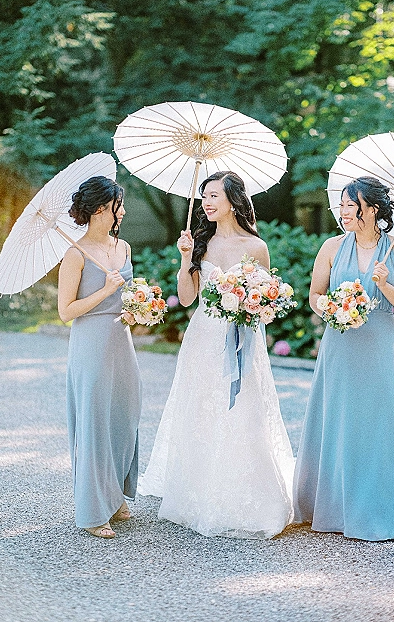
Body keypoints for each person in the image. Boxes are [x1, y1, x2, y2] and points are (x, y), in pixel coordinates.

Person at [137, 171, 294, 538]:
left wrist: (246, 308)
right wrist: (184, 258)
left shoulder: (256, 248)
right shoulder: (199, 244)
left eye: (214, 196)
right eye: (204, 196)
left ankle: (248, 496)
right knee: (201, 409)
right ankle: (199, 495)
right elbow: (188, 298)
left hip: (244, 340)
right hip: (204, 338)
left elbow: (266, 301)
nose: (207, 203)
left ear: (233, 201)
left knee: (245, 410)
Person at [293, 176, 394, 541]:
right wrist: (332, 309)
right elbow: (315, 294)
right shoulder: (331, 247)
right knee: (334, 421)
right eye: (343, 205)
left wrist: (385, 286)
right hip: (340, 343)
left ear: (373, 208)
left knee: (375, 427)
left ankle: (372, 516)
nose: (343, 211)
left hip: (380, 344)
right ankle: (330, 511)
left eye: (351, 205)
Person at [58, 176, 141, 539]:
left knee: (124, 415)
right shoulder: (74, 254)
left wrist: (138, 308)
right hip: (90, 342)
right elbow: (66, 311)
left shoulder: (122, 246)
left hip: (121, 339)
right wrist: (105, 290)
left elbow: (126, 294)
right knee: (94, 422)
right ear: (98, 210)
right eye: (116, 205)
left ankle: (116, 493)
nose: (121, 212)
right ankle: (94, 511)